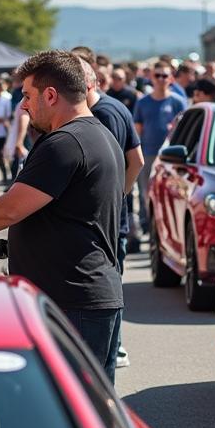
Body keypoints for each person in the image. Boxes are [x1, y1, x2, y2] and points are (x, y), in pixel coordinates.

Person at [0, 50, 124, 381]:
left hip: (71, 300)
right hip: (85, 296)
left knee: (72, 413)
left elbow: (9, 209)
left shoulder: (65, 142)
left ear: (50, 95)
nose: (23, 105)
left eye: (27, 95)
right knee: (91, 412)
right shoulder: (99, 134)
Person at [73, 50, 144, 370]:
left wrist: (113, 197)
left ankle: (113, 347)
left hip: (107, 220)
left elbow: (120, 164)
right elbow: (137, 160)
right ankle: (113, 345)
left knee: (106, 287)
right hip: (114, 216)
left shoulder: (102, 115)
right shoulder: (115, 108)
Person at [133, 61, 186, 231]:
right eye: (158, 75)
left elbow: (184, 129)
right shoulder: (143, 103)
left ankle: (168, 227)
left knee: (170, 193)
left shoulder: (178, 101)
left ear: (171, 78)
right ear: (151, 78)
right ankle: (147, 225)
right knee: (145, 192)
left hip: (171, 156)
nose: (161, 79)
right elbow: (137, 129)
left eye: (165, 75)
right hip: (148, 153)